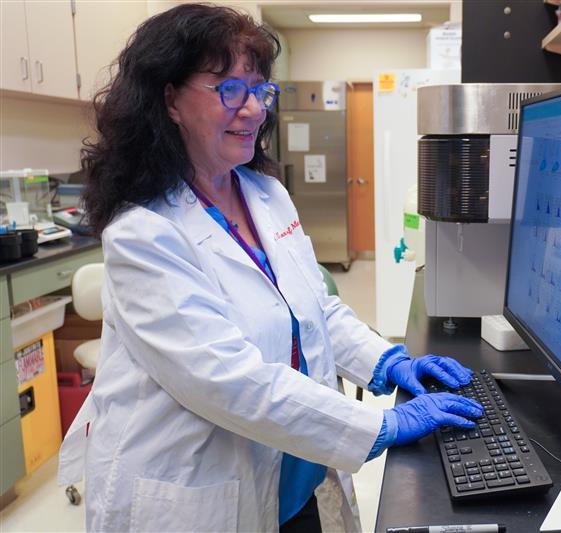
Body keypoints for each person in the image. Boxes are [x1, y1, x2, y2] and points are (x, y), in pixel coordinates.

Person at [58, 4, 483, 532]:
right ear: (169, 98)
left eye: (260, 90)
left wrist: (386, 362)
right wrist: (381, 422)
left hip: (294, 476)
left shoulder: (266, 195)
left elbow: (315, 310)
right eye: (229, 89)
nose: (254, 109)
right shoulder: (144, 233)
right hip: (198, 491)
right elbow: (226, 380)